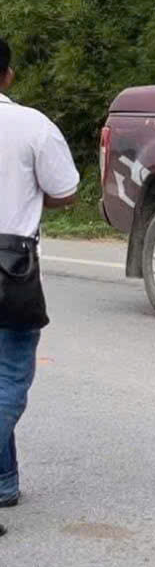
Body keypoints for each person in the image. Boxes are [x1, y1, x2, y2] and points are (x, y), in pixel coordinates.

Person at [0, 38, 80, 526]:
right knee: (9, 375)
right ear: (7, 75)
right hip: (11, 265)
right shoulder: (32, 125)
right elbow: (66, 193)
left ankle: (4, 480)